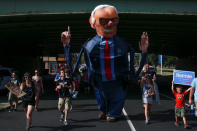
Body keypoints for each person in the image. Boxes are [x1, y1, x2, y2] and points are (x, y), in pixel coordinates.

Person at [61, 4, 148, 121]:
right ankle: (103, 108)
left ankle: (113, 113)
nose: (110, 23)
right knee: (101, 98)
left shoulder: (122, 44)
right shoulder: (89, 45)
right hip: (99, 81)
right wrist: (66, 46)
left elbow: (133, 69)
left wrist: (144, 52)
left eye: (114, 20)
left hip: (118, 81)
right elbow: (73, 68)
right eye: (103, 20)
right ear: (93, 23)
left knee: (117, 100)